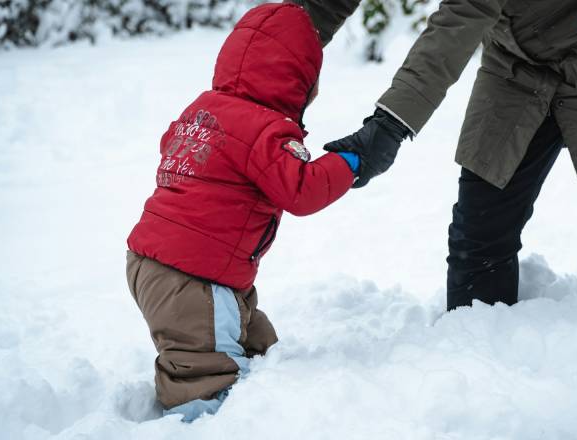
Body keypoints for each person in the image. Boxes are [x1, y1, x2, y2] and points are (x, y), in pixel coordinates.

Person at [294, 0, 577, 310]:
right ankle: (478, 374)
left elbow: (460, 18)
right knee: (480, 232)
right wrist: (287, 36)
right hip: (522, 61)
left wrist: (390, 125)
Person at [125, 3, 405, 421]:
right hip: (195, 282)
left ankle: (261, 391)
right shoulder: (263, 130)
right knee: (203, 375)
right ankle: (202, 422)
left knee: (255, 340)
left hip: (150, 264)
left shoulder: (202, 111)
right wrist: (351, 161)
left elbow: (172, 145)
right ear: (296, 81)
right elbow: (301, 190)